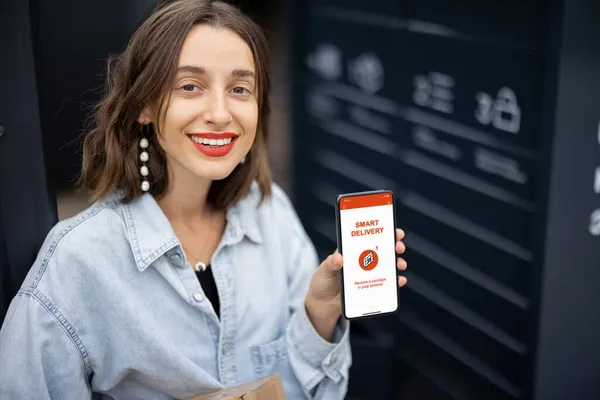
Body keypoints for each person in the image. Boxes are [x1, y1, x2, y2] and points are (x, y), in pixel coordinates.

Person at [0, 1, 408, 399]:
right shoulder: (77, 261)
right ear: (143, 104)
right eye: (190, 86)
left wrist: (320, 314)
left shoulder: (272, 215)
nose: (219, 112)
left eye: (239, 88)